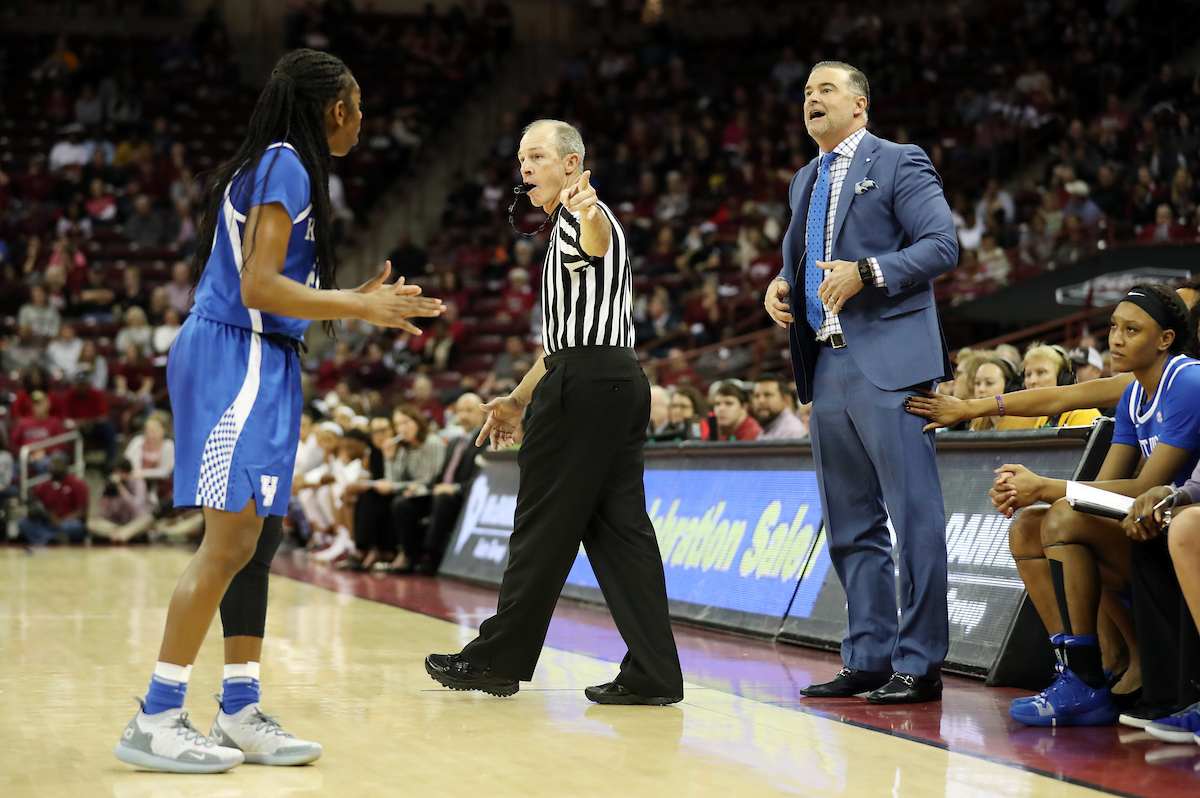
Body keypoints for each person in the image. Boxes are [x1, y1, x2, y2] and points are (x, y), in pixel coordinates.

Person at [112, 49, 444, 774]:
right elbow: (259, 287)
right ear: (337, 109)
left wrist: (356, 299)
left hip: (263, 357)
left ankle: (239, 709)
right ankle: (157, 714)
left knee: (256, 545)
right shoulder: (286, 162)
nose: (363, 120)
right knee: (228, 543)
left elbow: (272, 286)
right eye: (359, 105)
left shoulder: (281, 166)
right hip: (236, 355)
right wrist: (357, 305)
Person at [426, 119, 683, 705]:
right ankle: (654, 672)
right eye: (522, 159)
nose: (526, 168)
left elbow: (595, 240)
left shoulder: (581, 217)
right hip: (616, 378)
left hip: (585, 387)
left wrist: (587, 210)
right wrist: (517, 399)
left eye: (537, 157)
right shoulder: (569, 223)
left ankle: (496, 659)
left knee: (540, 527)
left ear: (571, 165)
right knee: (623, 535)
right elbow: (560, 344)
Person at [762, 61, 958, 703]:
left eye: (825, 89)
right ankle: (869, 654)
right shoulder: (803, 180)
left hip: (892, 365)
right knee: (849, 525)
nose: (810, 99)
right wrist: (781, 284)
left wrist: (867, 272)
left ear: (860, 105)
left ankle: (920, 662)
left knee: (913, 515)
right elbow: (802, 257)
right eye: (806, 92)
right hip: (828, 363)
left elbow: (941, 246)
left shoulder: (899, 161)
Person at [990, 285, 1200, 727]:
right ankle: (1079, 668)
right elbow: (1099, 493)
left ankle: (1097, 670)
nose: (1116, 339)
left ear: (1164, 339)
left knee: (1063, 515)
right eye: (1113, 327)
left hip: (1179, 530)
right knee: (1029, 525)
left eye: (1131, 329)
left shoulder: (1187, 380)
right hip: (1150, 530)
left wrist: (1045, 486)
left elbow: (1147, 484)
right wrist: (1034, 494)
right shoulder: (1134, 395)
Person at [17, 452, 88, 546]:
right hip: (47, 523)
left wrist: (61, 521)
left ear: (66, 466)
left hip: (65, 523)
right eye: (52, 463)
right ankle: (50, 539)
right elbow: (36, 507)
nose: (54, 466)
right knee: (23, 523)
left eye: (58, 463)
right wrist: (35, 513)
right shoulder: (42, 486)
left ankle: (44, 538)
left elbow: (81, 511)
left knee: (76, 526)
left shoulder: (77, 484)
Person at [90, 457, 156, 543]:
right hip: (116, 525)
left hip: (134, 522)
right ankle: (123, 535)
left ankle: (120, 535)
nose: (118, 475)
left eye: (120, 472)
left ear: (128, 473)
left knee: (148, 519)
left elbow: (136, 506)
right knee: (92, 523)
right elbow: (103, 516)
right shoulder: (110, 486)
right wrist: (105, 499)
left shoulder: (138, 483)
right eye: (115, 472)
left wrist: (121, 489)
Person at [752, 373, 809, 439]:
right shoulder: (767, 428)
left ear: (785, 400)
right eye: (756, 396)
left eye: (767, 395)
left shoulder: (792, 431)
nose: (761, 401)